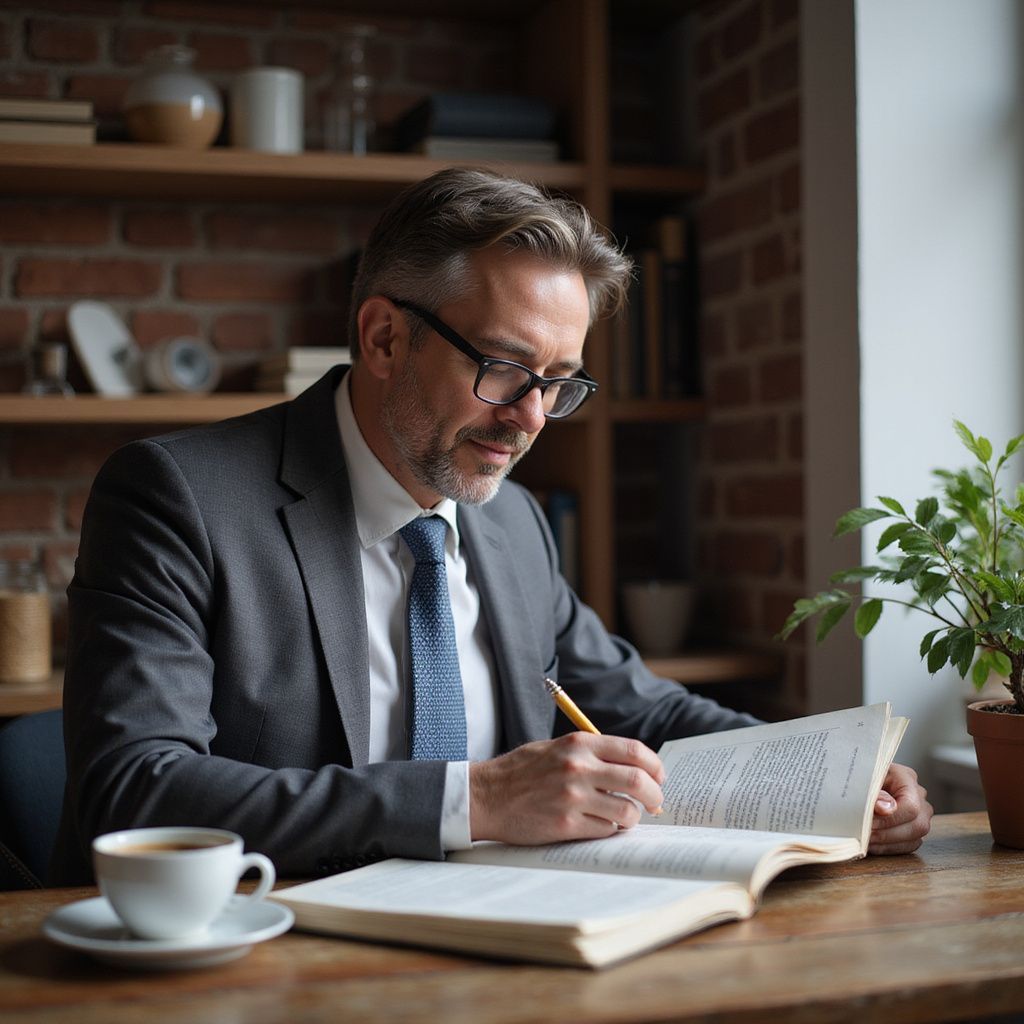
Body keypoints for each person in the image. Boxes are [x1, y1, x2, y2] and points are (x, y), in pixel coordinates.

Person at [52, 168, 931, 884]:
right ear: (385, 338)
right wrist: (471, 800)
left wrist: (833, 779)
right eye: (507, 368)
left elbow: (635, 705)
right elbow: (133, 790)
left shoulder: (511, 524)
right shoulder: (176, 498)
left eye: (560, 381)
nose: (534, 418)